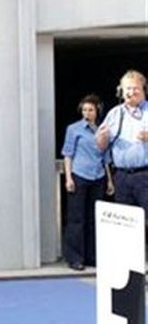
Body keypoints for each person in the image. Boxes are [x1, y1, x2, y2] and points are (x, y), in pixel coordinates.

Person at [61, 94, 113, 270]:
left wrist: (109, 181)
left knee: (94, 218)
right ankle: (75, 257)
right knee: (77, 218)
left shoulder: (102, 130)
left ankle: (92, 255)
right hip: (80, 174)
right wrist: (68, 178)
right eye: (84, 110)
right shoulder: (74, 129)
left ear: (97, 111)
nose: (87, 113)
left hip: (97, 176)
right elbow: (68, 154)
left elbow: (105, 158)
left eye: (90, 110)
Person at [97, 70, 148, 213]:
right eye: (127, 88)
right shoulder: (114, 113)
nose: (131, 92)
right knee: (125, 219)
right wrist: (102, 137)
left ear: (144, 90)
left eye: (135, 88)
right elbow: (101, 147)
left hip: (145, 175)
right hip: (121, 177)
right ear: (121, 91)